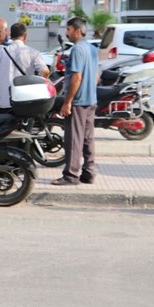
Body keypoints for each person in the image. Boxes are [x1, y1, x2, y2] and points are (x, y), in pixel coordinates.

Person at [53, 17, 98, 186]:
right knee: (88, 139)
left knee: (73, 139)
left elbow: (76, 77)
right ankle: (89, 173)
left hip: (79, 101)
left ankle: (71, 176)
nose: (67, 33)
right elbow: (96, 75)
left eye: (69, 29)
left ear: (77, 30)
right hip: (91, 99)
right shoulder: (92, 49)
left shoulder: (77, 49)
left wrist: (68, 102)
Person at [0, 22, 49, 112]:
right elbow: (45, 71)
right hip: (26, 101)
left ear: (11, 36)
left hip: (5, 103)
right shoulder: (33, 52)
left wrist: (2, 86)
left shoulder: (1, 52)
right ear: (25, 36)